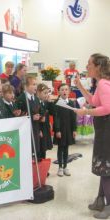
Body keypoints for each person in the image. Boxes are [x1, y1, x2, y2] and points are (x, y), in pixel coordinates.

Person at [74, 53, 110, 219]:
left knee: (105, 168)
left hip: (106, 132)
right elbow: (95, 101)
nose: (87, 66)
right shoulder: (101, 83)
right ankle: (100, 200)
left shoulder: (103, 83)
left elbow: (107, 108)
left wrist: (86, 111)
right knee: (104, 167)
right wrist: (80, 86)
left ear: (98, 67)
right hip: (104, 131)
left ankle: (108, 205)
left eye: (89, 64)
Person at [53, 84, 77, 177]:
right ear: (58, 92)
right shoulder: (57, 103)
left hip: (69, 129)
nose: (64, 91)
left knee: (66, 147)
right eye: (62, 90)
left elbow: (73, 117)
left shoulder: (71, 103)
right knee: (60, 147)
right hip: (60, 129)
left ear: (69, 91)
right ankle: (60, 167)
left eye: (66, 89)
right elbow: (56, 117)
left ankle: (66, 166)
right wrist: (57, 130)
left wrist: (74, 129)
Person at [16, 75, 42, 159]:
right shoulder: (21, 99)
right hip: (26, 130)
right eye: (33, 84)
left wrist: (39, 116)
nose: (36, 86)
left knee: (35, 150)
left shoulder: (36, 99)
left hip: (35, 128)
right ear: (26, 86)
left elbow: (39, 111)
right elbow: (19, 115)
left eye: (36, 84)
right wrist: (31, 117)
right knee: (27, 151)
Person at [37, 83, 53, 159]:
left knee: (44, 148)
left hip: (45, 127)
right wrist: (39, 130)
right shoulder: (36, 103)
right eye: (45, 93)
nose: (46, 95)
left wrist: (50, 102)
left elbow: (52, 112)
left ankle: (44, 168)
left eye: (47, 93)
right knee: (40, 148)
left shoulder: (45, 102)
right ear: (38, 93)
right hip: (40, 128)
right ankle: (40, 168)